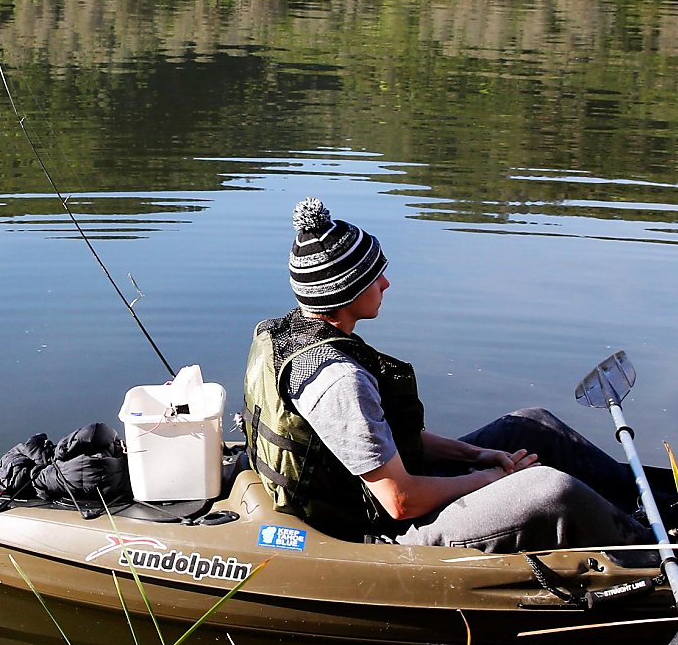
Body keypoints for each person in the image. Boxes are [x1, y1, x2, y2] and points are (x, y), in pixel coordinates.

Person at [242, 198, 652, 551]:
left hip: (377, 494)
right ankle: (656, 550)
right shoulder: (336, 379)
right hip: (380, 532)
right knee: (549, 490)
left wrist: (476, 456)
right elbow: (400, 501)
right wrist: (492, 478)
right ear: (343, 292)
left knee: (532, 424)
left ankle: (671, 501)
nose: (386, 283)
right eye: (373, 277)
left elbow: (372, 440)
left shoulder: (288, 334)